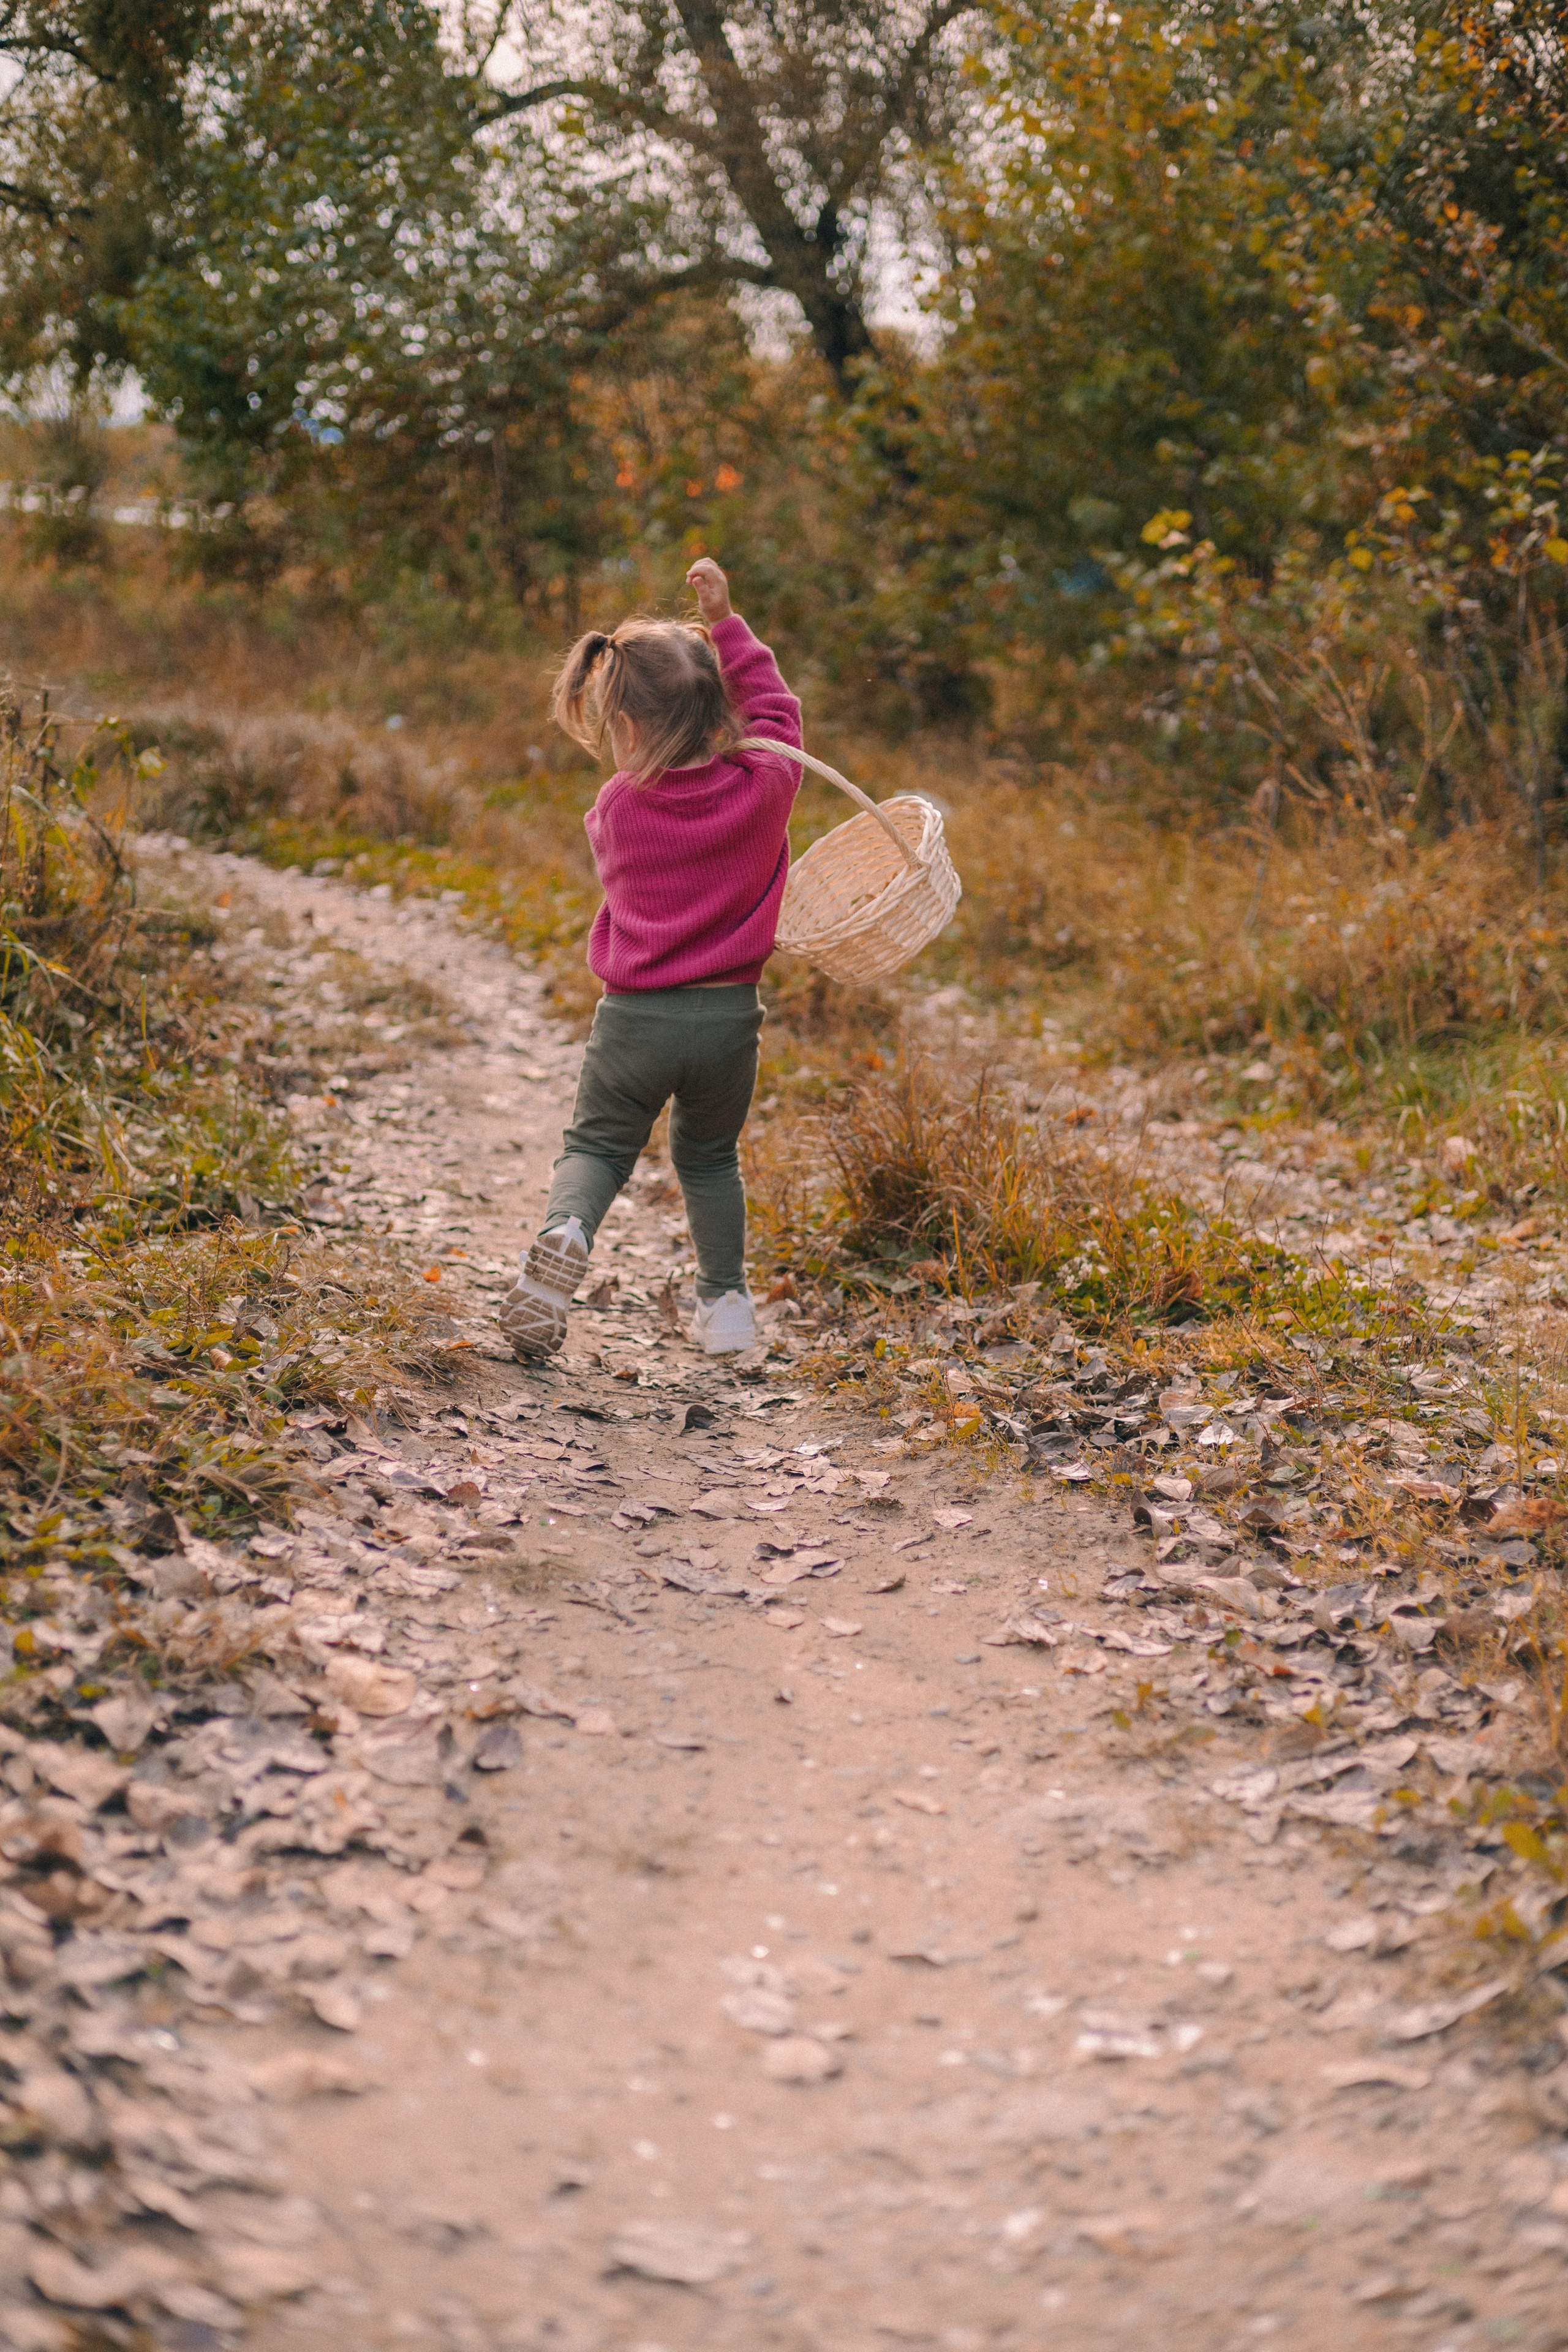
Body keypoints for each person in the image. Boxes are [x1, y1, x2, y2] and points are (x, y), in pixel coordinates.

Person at [500, 557, 801, 1360]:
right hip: (730, 1021)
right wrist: (728, 623)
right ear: (720, 708)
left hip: (637, 1020)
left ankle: (565, 1233)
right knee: (708, 1159)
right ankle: (728, 1307)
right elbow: (778, 716)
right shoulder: (767, 784)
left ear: (624, 726)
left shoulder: (616, 810)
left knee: (598, 1147)